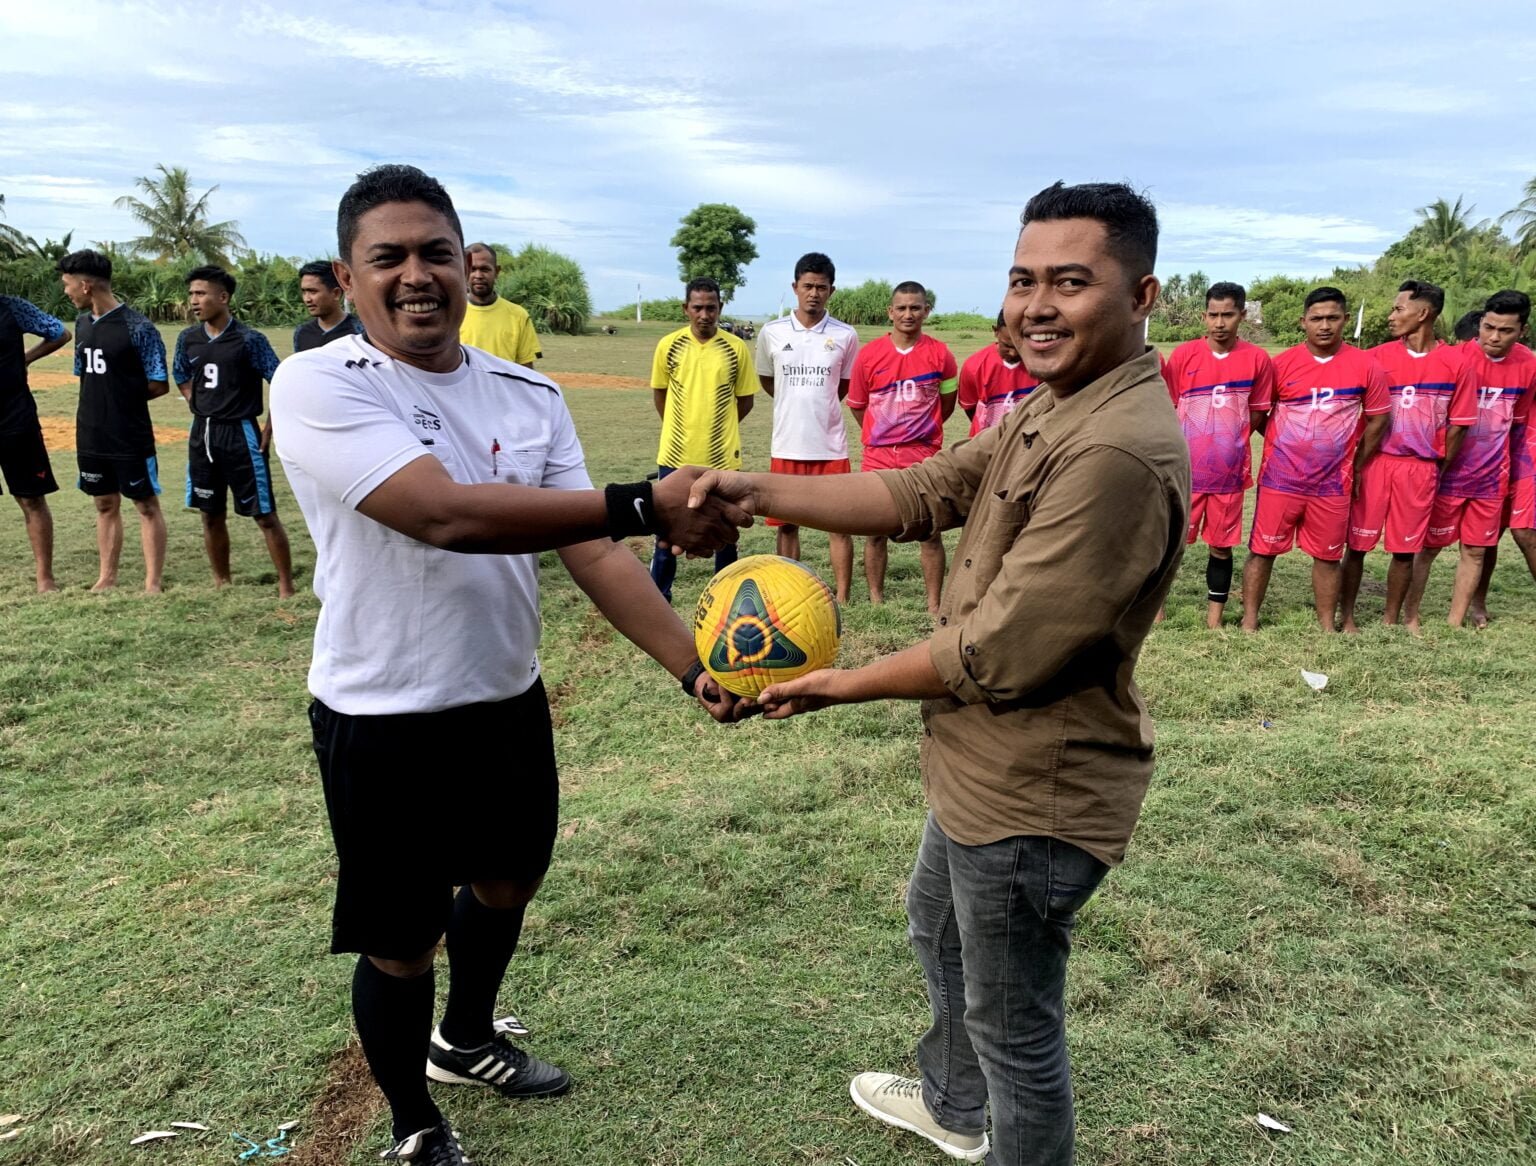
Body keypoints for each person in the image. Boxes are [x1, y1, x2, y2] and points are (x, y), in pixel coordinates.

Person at [690, 180, 1188, 1166]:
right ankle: (954, 1104)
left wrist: (838, 683)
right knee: (938, 927)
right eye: (1022, 280)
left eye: (1070, 282)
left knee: (1015, 1031)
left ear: (1141, 296)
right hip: (980, 763)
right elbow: (926, 488)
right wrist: (755, 489)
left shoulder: (1116, 451)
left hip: (1033, 790)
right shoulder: (1061, 402)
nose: (1036, 304)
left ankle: (989, 1118)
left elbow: (995, 650)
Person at [270, 164, 752, 1166]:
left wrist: (692, 665)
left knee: (507, 878)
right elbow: (442, 513)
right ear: (348, 280)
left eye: (435, 253)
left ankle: (465, 1037)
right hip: (380, 709)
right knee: (403, 938)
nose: (416, 275)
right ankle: (414, 1122)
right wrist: (644, 500)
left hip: (503, 694)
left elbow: (593, 552)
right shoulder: (320, 380)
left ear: (466, 264)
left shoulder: (528, 393)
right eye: (388, 257)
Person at [1240, 287, 1390, 632]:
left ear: (1345, 320)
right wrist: (1284, 442)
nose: (1324, 326)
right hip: (1280, 479)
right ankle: (1249, 621)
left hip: (1333, 483)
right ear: (1303, 321)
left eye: (1332, 318)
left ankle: (1326, 626)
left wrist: (1356, 461)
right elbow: (1259, 412)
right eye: (1316, 318)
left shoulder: (1366, 365)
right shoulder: (1280, 365)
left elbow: (1379, 418)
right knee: (1262, 550)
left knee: (1328, 555)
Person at [1337, 281, 1475, 632]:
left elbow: (1459, 425)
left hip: (1420, 468)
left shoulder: (1457, 363)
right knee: (1357, 544)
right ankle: (1347, 616)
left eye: (1398, 309)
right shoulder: (1376, 358)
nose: (1391, 316)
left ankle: (1391, 618)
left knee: (1404, 550)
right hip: (1374, 463)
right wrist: (1356, 464)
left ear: (1423, 313)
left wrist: (1437, 466)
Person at [1406, 290, 1536, 628]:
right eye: (1488, 327)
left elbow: (1518, 422)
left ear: (1522, 330)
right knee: (1428, 547)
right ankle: (1411, 614)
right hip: (1448, 472)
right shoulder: (1454, 358)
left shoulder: (1529, 366)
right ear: (1480, 323)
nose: (1494, 337)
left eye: (1505, 330)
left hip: (1492, 477)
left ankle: (1455, 621)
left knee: (1476, 550)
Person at [173, 265, 296, 597]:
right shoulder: (188, 338)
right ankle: (221, 581)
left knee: (263, 514)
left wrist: (269, 428)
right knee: (210, 513)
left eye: (201, 294)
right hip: (203, 435)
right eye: (191, 294)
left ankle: (286, 584)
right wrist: (196, 401)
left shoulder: (250, 340)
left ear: (223, 297)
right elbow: (180, 374)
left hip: (241, 434)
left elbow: (281, 382)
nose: (194, 301)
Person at [1161, 281, 1276, 628]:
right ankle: (1157, 611)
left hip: (1228, 475)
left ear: (1242, 316)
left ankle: (1214, 619)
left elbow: (1257, 412)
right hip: (1185, 474)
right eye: (1213, 315)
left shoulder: (1257, 359)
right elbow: (1170, 407)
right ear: (1204, 316)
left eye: (1228, 314)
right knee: (1170, 544)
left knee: (1221, 547)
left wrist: (1231, 440)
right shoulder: (1183, 356)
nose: (1220, 323)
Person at [57, 248, 170, 593]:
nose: (66, 291)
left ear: (86, 285)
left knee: (145, 504)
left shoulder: (139, 327)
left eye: (68, 284)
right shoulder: (82, 324)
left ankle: (152, 582)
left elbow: (158, 383)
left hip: (129, 433)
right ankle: (106, 577)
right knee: (104, 503)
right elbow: (84, 374)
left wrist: (122, 402)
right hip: (91, 432)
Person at [845, 281, 958, 613]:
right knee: (875, 532)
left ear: (926, 311)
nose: (908, 314)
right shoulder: (869, 355)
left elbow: (947, 404)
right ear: (890, 312)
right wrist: (882, 431)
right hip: (878, 456)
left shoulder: (942, 354)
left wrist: (922, 432)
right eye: (902, 308)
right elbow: (858, 405)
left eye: (915, 308)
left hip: (923, 455)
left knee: (930, 531)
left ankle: (934, 604)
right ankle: (876, 599)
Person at [754, 253, 861, 602]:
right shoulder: (772, 332)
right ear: (795, 287)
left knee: (839, 524)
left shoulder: (846, 335)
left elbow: (843, 387)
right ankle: (790, 592)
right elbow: (769, 381)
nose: (814, 293)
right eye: (808, 286)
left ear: (832, 290)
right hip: (787, 444)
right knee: (786, 524)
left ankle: (842, 596)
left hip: (830, 447)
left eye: (821, 287)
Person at [647, 276, 756, 601]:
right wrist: (681, 427)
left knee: (726, 532)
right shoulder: (668, 345)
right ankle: (659, 598)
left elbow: (745, 400)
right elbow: (660, 395)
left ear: (720, 308)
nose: (705, 315)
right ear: (686, 309)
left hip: (722, 458)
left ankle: (725, 600)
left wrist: (719, 427)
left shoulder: (736, 348)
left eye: (711, 308)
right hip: (674, 455)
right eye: (697, 308)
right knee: (665, 533)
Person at [0, 294, 71, 591]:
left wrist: (26, 358)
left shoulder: (12, 308)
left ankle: (45, 578)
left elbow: (60, 333)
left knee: (31, 498)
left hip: (16, 418)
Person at [957, 309, 1039, 437]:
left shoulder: (1042, 365)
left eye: (1019, 346)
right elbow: (970, 408)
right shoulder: (974, 366)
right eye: (1007, 345)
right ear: (996, 331)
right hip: (986, 443)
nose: (1013, 353)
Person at [458, 242, 540, 365]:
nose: (478, 275)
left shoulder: (518, 316)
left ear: (497, 272)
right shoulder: (452, 314)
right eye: (472, 269)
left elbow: (526, 368)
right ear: (464, 271)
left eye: (485, 269)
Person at [293, 259, 363, 352]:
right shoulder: (301, 333)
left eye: (313, 292)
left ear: (336, 293)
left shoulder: (360, 331)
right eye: (304, 292)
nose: (307, 299)